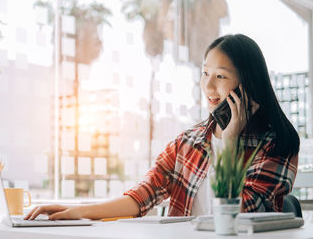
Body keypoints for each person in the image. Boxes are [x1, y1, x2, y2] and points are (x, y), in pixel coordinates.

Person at [24, 34, 299, 220]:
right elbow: (142, 196)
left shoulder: (277, 145)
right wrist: (77, 210)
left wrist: (228, 143)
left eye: (221, 76)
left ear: (247, 83)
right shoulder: (189, 142)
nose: (208, 86)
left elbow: (238, 215)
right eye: (205, 73)